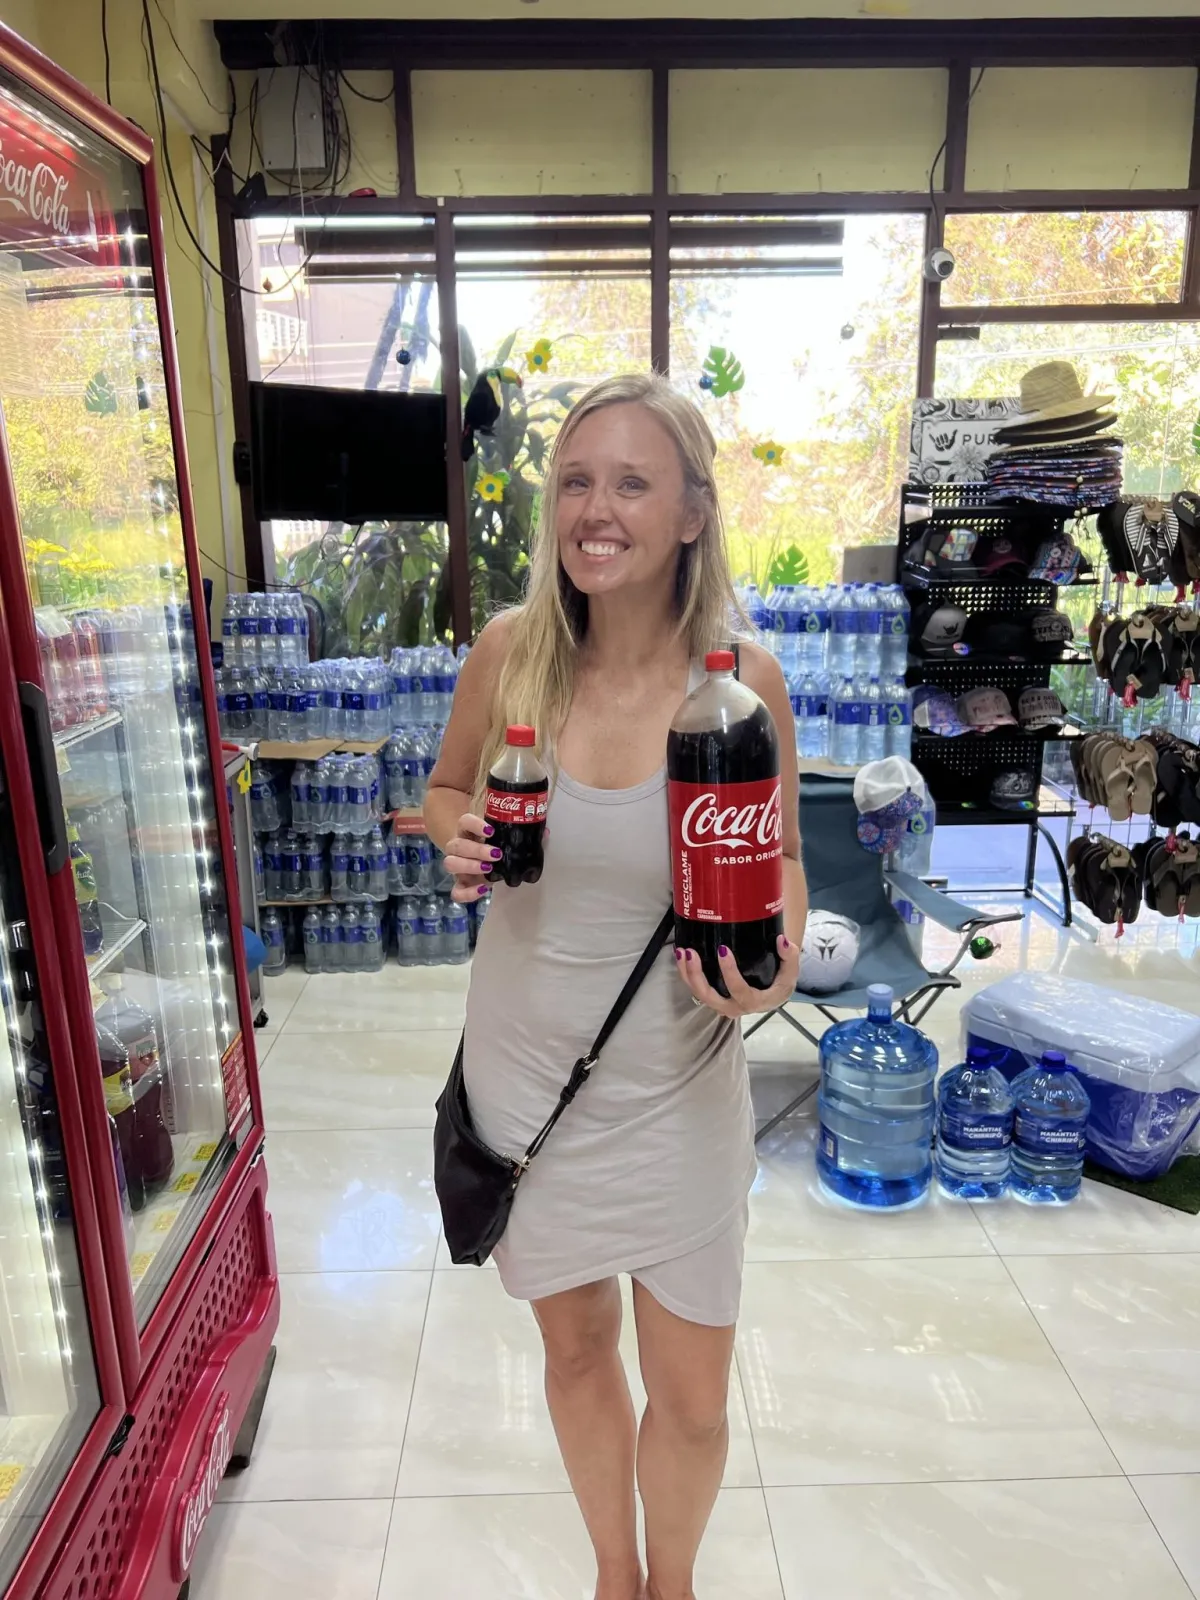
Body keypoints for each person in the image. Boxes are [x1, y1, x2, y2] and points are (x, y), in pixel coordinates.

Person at [425, 372, 807, 1600]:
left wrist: (773, 971)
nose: (595, 510)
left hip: (677, 1089)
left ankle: (674, 1581)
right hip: (530, 1089)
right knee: (579, 1354)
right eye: (577, 482)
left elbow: (783, 862)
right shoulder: (511, 655)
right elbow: (447, 790)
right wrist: (453, 832)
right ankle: (613, 1572)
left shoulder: (744, 683)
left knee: (692, 1402)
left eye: (632, 483)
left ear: (693, 512)